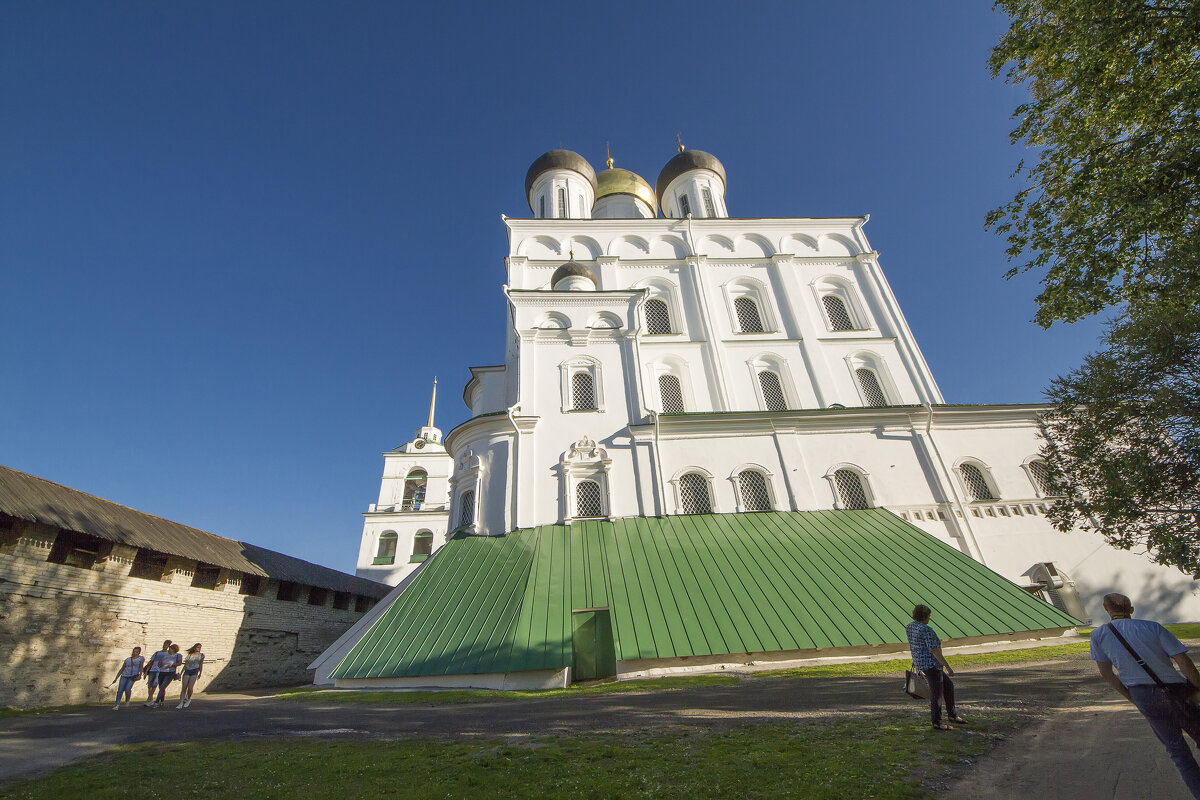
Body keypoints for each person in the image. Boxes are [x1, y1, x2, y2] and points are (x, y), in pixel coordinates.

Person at [1091, 592, 1200, 798]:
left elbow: (1106, 673)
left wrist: (1130, 696)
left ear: (1106, 609)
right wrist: (1198, 688)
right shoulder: (1152, 627)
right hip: (1176, 691)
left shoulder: (1098, 636)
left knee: (1178, 752)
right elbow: (1184, 663)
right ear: (1131, 610)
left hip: (1142, 694)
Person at [905, 604, 967, 731]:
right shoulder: (926, 630)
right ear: (926, 616)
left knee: (948, 685)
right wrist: (948, 667)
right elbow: (934, 649)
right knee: (937, 694)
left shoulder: (910, 626)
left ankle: (952, 714)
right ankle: (937, 722)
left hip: (920, 662)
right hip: (931, 664)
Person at [143, 639, 172, 707]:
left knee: (155, 684)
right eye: (164, 644)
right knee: (149, 685)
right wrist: (147, 670)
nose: (164, 646)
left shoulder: (168, 654)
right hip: (153, 669)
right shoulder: (157, 653)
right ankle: (151, 698)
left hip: (160, 670)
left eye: (166, 645)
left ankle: (149, 699)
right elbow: (151, 661)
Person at [176, 643, 204, 709]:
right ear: (194, 648)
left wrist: (200, 673)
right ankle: (181, 703)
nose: (198, 648)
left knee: (190, 687)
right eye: (197, 647)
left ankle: (188, 699)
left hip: (195, 671)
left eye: (200, 647)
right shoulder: (190, 655)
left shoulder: (201, 655)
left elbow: (201, 664)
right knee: (184, 687)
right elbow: (185, 664)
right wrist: (181, 673)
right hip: (187, 670)